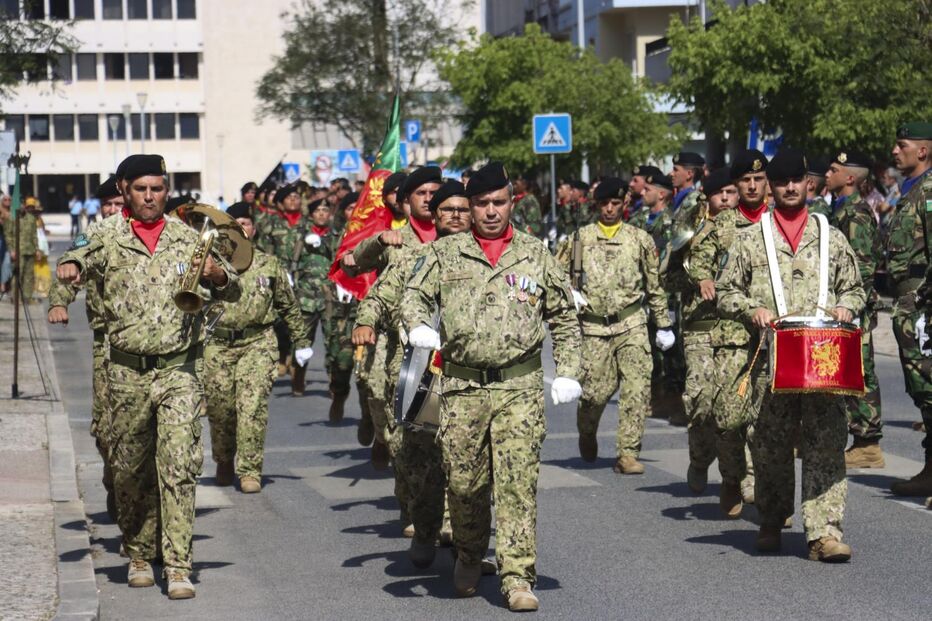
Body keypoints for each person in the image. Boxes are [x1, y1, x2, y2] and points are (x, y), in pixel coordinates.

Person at [55, 154, 241, 599]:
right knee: (130, 471)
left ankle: (178, 564)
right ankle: (139, 552)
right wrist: (62, 291)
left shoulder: (187, 237)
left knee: (179, 466)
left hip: (178, 370)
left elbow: (232, 283)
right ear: (124, 190)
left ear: (166, 189)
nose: (150, 197)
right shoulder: (104, 235)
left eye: (157, 189)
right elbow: (72, 260)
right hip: (124, 371)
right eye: (141, 189)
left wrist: (219, 275)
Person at [402, 162, 582, 612]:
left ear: (511, 202)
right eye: (481, 203)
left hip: (519, 387)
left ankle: (517, 576)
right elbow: (413, 296)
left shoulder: (536, 254)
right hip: (462, 389)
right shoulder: (446, 253)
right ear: (471, 205)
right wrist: (418, 326)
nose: (489, 211)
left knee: (518, 482)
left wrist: (568, 370)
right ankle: (467, 551)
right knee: (464, 484)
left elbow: (564, 315)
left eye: (498, 202)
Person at [717, 148, 865, 562]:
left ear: (808, 184)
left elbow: (855, 287)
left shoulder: (830, 235)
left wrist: (847, 307)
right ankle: (771, 518)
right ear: (769, 187)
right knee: (770, 446)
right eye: (780, 182)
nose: (789, 188)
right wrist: (752, 310)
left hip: (823, 359)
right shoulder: (750, 238)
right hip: (772, 362)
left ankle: (824, 533)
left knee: (826, 444)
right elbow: (727, 292)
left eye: (795, 180)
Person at [352, 179, 471, 568]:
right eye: (447, 209)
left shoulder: (489, 255)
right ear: (434, 215)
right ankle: (424, 527)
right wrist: (366, 321)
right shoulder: (412, 256)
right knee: (419, 457)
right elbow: (378, 296)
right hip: (422, 369)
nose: (456, 216)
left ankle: (460, 533)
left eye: (462, 208)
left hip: (472, 372)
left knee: (467, 458)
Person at [555, 177, 672, 473]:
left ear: (624, 204)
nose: (609, 209)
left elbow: (654, 284)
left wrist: (663, 324)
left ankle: (628, 453)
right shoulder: (579, 239)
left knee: (637, 387)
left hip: (631, 323)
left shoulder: (638, 239)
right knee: (594, 394)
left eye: (615, 203)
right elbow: (555, 278)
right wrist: (570, 294)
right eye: (604, 203)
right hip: (594, 329)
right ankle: (587, 429)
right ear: (596, 206)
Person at [204, 201, 311, 493]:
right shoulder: (209, 263)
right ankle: (224, 458)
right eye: (234, 223)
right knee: (220, 408)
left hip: (259, 342)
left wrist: (301, 341)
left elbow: (288, 305)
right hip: (218, 344)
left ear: (253, 228)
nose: (242, 228)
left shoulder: (269, 264)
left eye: (246, 223)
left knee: (252, 407)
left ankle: (250, 470)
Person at [342, 166, 441, 476]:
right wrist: (381, 241)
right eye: (421, 194)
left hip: (448, 344)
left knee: (441, 428)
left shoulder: (460, 238)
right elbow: (355, 265)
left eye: (434, 194)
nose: (428, 200)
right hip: (398, 341)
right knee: (381, 397)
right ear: (407, 201)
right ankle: (385, 441)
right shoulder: (395, 239)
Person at [678, 166, 755, 517]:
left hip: (737, 329)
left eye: (731, 192)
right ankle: (699, 458)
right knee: (701, 403)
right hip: (700, 325)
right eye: (719, 193)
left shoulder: (754, 228)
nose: (726, 198)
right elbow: (670, 271)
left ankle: (740, 478)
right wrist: (697, 277)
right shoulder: (694, 227)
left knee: (735, 410)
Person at [48, 175, 125, 519]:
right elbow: (71, 264)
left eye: (118, 204)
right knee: (107, 431)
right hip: (106, 345)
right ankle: (116, 481)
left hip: (151, 347)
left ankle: (136, 513)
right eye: (107, 204)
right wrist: (59, 301)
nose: (112, 209)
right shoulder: (93, 236)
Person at [823, 150, 884, 468]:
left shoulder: (855, 215)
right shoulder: (840, 211)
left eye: (833, 169)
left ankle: (868, 443)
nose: (827, 174)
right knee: (848, 370)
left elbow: (862, 268)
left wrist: (853, 307)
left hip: (854, 308)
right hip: (841, 307)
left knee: (861, 371)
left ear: (849, 178)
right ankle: (858, 438)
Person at [887, 122, 932, 497]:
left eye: (902, 145)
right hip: (908, 304)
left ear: (923, 151)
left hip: (923, 305)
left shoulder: (930, 191)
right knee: (922, 389)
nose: (894, 151)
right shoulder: (910, 191)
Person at [4, 195, 40, 303]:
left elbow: (34, 235)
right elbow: (8, 235)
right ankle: (16, 298)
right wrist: (11, 250)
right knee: (17, 275)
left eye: (22, 204)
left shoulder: (31, 218)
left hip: (30, 250)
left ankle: (27, 298)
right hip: (18, 251)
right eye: (19, 205)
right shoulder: (12, 218)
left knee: (29, 275)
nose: (21, 207)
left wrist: (37, 249)